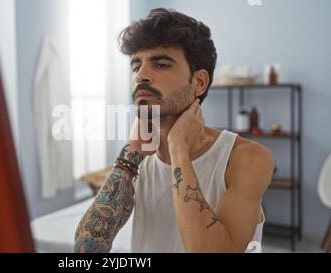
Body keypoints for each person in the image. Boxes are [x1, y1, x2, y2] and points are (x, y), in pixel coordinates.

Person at [74, 8, 274, 253]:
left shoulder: (247, 158)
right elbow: (86, 250)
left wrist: (179, 148)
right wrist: (131, 152)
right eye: (136, 67)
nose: (141, 76)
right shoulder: (139, 156)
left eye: (161, 64)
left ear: (199, 82)